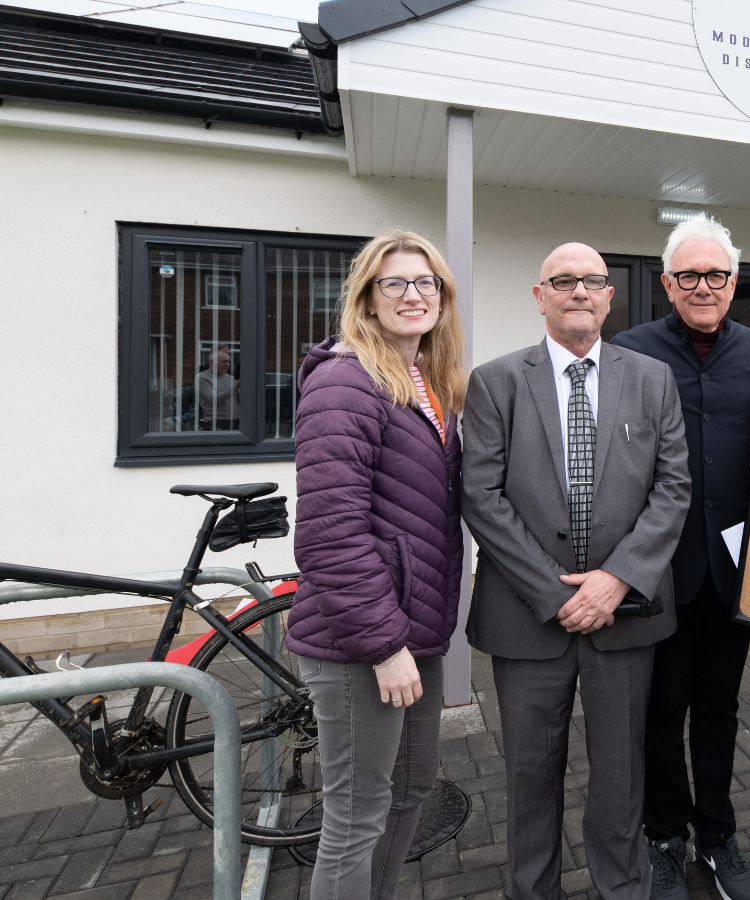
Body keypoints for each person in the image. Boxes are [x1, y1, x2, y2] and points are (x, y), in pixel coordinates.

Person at [461, 242, 692, 900]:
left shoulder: (651, 379)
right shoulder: (496, 381)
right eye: (563, 281)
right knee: (531, 777)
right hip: (528, 619)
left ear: (610, 297)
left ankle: (623, 888)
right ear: (541, 296)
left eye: (593, 281)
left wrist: (616, 580)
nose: (579, 291)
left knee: (621, 777)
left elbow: (673, 490)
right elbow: (481, 495)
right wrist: (552, 592)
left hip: (626, 616)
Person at [285, 229, 468, 900]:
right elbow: (331, 536)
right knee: (356, 816)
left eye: (426, 283)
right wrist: (385, 645)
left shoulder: (423, 378)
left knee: (410, 790)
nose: (413, 295)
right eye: (395, 283)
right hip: (363, 643)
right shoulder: (345, 379)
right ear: (367, 297)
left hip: (414, 632)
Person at [610, 214, 750, 900]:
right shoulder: (631, 352)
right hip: (659, 571)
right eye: (689, 275)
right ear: (666, 283)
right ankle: (663, 837)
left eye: (716, 275)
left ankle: (718, 834)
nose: (703, 285)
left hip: (737, 570)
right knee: (660, 711)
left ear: (734, 282)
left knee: (720, 709)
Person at [195, 346, 240, 430]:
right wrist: (235, 387)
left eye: (228, 362)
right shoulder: (202, 377)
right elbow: (213, 399)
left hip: (236, 422)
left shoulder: (230, 378)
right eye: (223, 362)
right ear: (212, 362)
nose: (227, 365)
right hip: (216, 423)